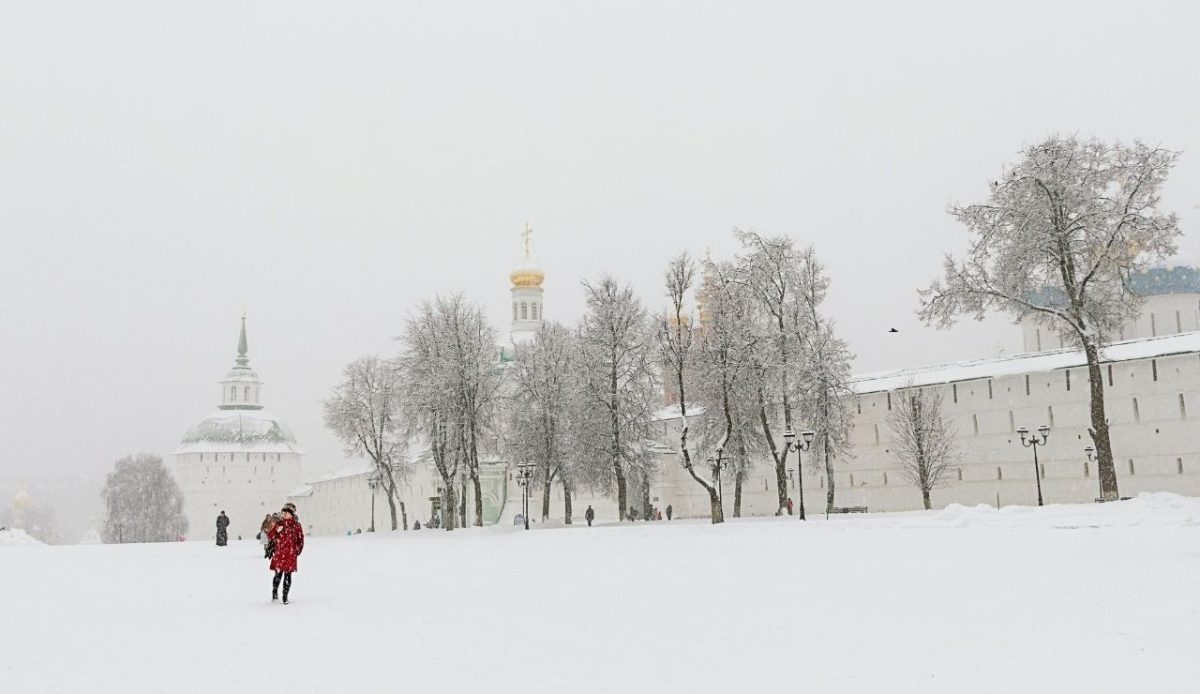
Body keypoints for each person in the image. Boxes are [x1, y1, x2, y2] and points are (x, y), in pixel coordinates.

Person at [268, 506, 304, 604]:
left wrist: (297, 550)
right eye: (283, 513)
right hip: (280, 553)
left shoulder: (297, 525)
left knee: (288, 574)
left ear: (291, 514)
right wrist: (276, 530)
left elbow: (300, 539)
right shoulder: (279, 524)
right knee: (278, 574)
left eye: (286, 513)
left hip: (291, 554)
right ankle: (275, 593)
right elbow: (270, 535)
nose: (284, 515)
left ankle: (285, 596)